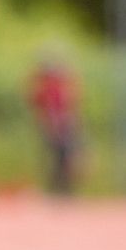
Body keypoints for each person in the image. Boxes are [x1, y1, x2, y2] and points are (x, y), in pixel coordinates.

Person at [28, 58, 81, 196]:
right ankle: (59, 189)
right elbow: (41, 107)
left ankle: (62, 189)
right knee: (60, 158)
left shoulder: (58, 87)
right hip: (55, 127)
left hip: (63, 126)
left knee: (64, 157)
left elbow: (69, 105)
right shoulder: (46, 89)